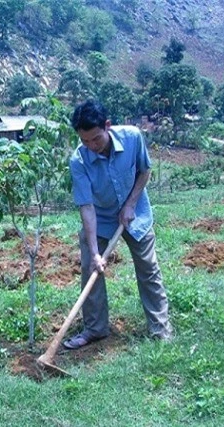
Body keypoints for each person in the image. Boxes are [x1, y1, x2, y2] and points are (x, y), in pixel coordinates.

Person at [64, 99, 172, 350]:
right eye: (85, 141)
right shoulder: (78, 161)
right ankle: (95, 328)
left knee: (148, 267)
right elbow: (87, 207)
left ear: (108, 126)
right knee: (91, 270)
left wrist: (131, 204)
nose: (91, 146)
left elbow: (144, 171)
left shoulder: (133, 137)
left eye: (96, 139)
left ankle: (160, 328)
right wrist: (94, 253)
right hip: (100, 218)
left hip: (136, 213)